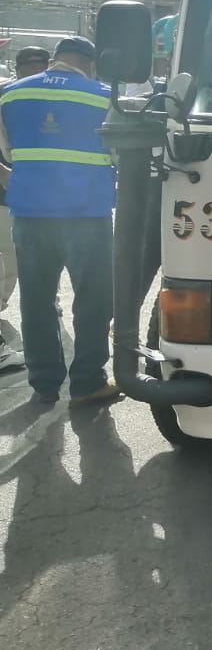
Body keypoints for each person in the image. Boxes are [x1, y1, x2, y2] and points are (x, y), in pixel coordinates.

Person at [0, 36, 119, 406]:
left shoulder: (10, 95)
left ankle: (45, 382)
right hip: (87, 214)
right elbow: (120, 154)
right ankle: (87, 383)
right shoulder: (104, 96)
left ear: (55, 60)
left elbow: (5, 152)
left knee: (36, 299)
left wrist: (16, 179)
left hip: (30, 214)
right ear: (91, 63)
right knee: (93, 300)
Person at [0, 47, 52, 371]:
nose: (35, 72)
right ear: (17, 68)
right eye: (29, 66)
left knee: (19, 261)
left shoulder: (52, 100)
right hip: (7, 193)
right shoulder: (6, 98)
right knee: (6, 262)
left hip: (33, 196)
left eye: (40, 66)